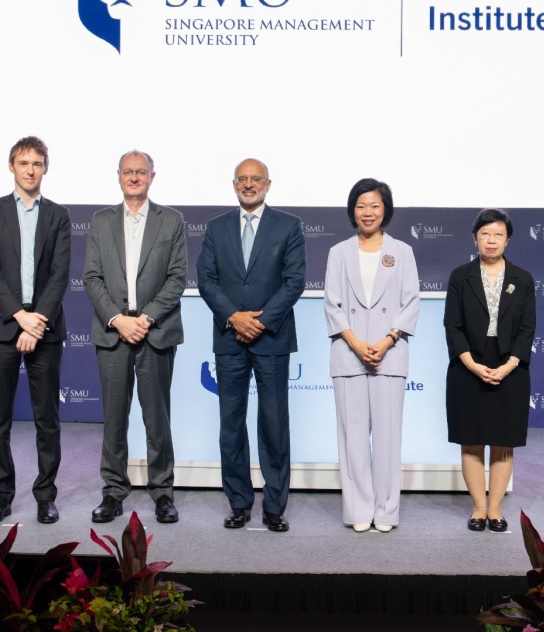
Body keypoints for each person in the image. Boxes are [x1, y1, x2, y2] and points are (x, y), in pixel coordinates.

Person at [197, 158, 306, 533]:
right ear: (233, 185)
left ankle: (274, 505)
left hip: (271, 338)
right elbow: (206, 280)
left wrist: (258, 321)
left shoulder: (289, 226)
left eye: (255, 179)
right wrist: (235, 317)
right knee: (231, 423)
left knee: (274, 424)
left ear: (268, 184)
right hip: (229, 336)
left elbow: (294, 282)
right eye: (242, 179)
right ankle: (239, 503)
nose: (248, 184)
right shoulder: (215, 228)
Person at [83, 150, 186, 525]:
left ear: (152, 176)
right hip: (114, 333)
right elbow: (91, 278)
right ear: (119, 176)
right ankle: (113, 493)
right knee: (114, 419)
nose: (134, 177)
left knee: (157, 418)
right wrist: (117, 319)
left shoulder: (172, 221)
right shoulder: (99, 221)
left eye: (141, 171)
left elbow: (177, 277)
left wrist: (145, 318)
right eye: (128, 171)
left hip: (154, 332)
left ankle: (162, 493)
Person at [0, 136, 71, 525]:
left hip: (44, 329)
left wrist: (37, 322)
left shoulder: (59, 216)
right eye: (23, 163)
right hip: (3, 327)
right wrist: (20, 316)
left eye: (37, 163)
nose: (30, 169)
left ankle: (45, 496)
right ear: (11, 167)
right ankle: (1, 495)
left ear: (45, 167)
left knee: (46, 419)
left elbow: (59, 275)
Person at [323, 179, 420, 533]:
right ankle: (358, 508)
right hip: (348, 355)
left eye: (375, 206)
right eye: (362, 205)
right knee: (352, 437)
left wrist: (387, 339)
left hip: (389, 356)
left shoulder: (403, 252)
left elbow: (411, 302)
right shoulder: (339, 253)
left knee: (388, 437)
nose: (368, 212)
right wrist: (353, 341)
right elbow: (332, 304)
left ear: (385, 210)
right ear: (353, 210)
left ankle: (387, 511)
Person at [443, 208, 535, 532]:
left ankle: (495, 508)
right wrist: (472, 364)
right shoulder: (460, 276)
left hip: (510, 365)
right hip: (468, 365)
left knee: (502, 440)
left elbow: (527, 329)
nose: (491, 240)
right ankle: (478, 509)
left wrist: (509, 366)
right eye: (485, 233)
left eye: (498, 234)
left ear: (507, 239)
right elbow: (452, 327)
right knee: (471, 440)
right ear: (475, 238)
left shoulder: (522, 279)